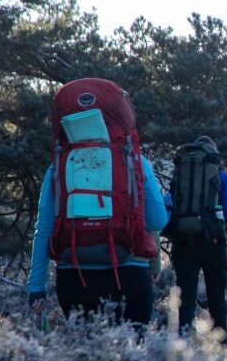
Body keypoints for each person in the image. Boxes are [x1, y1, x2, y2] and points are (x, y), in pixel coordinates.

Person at [27, 78, 167, 326]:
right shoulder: (135, 162)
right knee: (132, 357)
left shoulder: (58, 166)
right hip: (129, 274)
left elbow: (44, 231)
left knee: (86, 357)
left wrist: (36, 286)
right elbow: (158, 219)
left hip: (74, 278)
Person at [165, 135, 227, 339]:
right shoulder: (221, 176)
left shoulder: (180, 174)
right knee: (216, 293)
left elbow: (168, 204)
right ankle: (220, 340)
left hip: (183, 239)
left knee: (185, 293)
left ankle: (182, 341)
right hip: (213, 241)